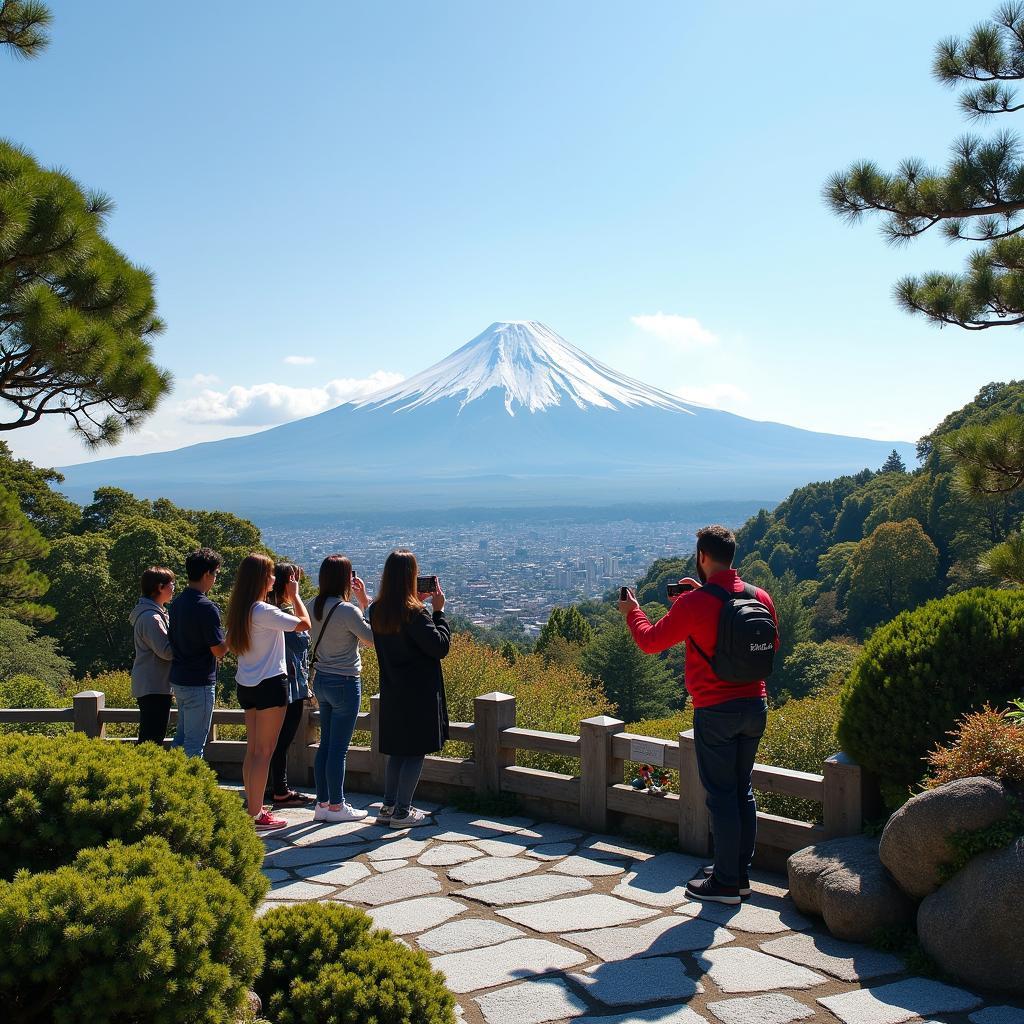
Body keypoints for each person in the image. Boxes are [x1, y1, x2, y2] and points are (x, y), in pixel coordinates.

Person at [619, 524, 778, 905]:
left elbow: (650, 640)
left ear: (702, 557)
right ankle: (737, 873)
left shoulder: (694, 604)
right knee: (742, 790)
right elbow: (770, 644)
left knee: (721, 795)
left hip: (715, 710)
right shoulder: (761, 596)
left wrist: (633, 612)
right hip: (755, 705)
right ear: (731, 556)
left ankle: (725, 883)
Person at [227, 553, 312, 830]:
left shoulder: (240, 610)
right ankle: (256, 814)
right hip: (270, 684)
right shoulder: (263, 611)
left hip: (246, 684)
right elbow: (303, 624)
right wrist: (295, 594)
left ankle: (252, 806)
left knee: (253, 750)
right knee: (265, 751)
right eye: (271, 575)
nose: (275, 579)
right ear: (262, 578)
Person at [369, 550, 450, 828]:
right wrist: (438, 612)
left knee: (398, 751)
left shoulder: (376, 610)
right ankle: (403, 811)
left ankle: (388, 806)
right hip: (418, 693)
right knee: (415, 752)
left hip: (392, 689)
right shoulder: (415, 614)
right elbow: (439, 647)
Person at [308, 555, 374, 823]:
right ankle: (337, 805)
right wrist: (365, 604)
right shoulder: (348, 610)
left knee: (326, 745)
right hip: (345, 681)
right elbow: (370, 640)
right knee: (339, 748)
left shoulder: (312, 605)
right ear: (345, 578)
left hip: (320, 680)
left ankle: (322, 802)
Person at [169, 547, 228, 758]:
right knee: (194, 745)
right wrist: (233, 635)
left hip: (179, 678)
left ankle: (170, 780)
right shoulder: (206, 607)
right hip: (199, 681)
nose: (215, 580)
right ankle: (191, 787)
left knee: (181, 739)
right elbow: (219, 650)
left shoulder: (176, 604)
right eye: (215, 574)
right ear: (206, 574)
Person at [265, 562, 313, 808]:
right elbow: (302, 640)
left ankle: (268, 786)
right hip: (290, 685)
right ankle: (280, 789)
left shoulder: (260, 610)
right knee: (282, 740)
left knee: (270, 739)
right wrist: (296, 598)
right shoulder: (280, 614)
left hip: (269, 681)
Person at [130, 566, 176, 744]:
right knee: (152, 738)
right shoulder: (151, 618)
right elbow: (166, 651)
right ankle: (143, 770)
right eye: (171, 584)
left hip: (152, 683)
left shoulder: (153, 613)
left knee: (152, 735)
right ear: (159, 587)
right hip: (154, 685)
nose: (173, 588)